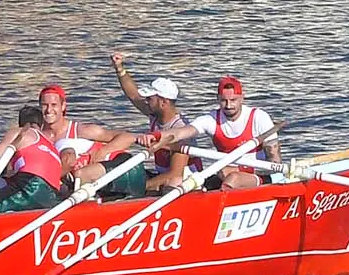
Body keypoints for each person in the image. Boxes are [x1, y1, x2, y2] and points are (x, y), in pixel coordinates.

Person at [148, 76, 281, 189]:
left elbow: (275, 163)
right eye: (224, 101)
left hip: (259, 175)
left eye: (233, 100)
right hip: (224, 174)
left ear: (242, 98)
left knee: (233, 178)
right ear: (218, 99)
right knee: (178, 182)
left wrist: (241, 170)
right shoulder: (212, 119)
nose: (228, 106)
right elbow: (182, 132)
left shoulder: (259, 118)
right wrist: (155, 136)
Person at [112, 53, 202, 191]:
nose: (146, 101)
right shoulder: (155, 114)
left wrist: (141, 187)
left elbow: (174, 174)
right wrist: (119, 69)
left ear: (163, 102)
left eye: (150, 98)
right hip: (163, 176)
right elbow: (134, 95)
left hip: (184, 183)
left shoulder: (181, 130)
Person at [38, 85, 145, 198]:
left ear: (63, 106)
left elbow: (127, 137)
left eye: (54, 105)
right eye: (45, 105)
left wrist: (103, 152)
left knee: (80, 176)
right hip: (90, 185)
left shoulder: (82, 130)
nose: (49, 110)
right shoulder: (38, 136)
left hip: (123, 170)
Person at [0, 106, 67, 213]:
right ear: (42, 125)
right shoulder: (51, 144)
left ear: (21, 124)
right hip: (52, 196)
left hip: (31, 186)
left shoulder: (22, 132)